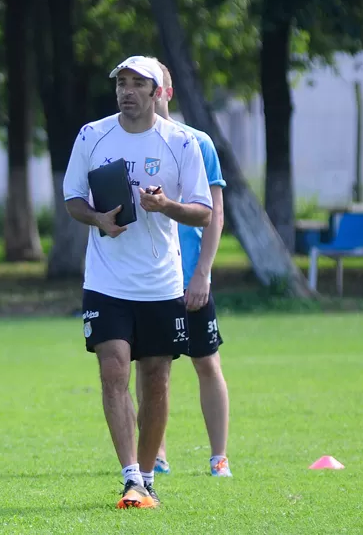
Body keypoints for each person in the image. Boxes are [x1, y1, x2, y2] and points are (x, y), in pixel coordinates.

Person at [62, 55, 213, 508]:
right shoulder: (92, 135)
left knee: (157, 380)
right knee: (113, 371)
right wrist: (98, 220)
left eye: (137, 84)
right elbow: (72, 198)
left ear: (156, 91)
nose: (126, 91)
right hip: (106, 281)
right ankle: (130, 474)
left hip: (160, 283)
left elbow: (203, 210)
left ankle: (147, 476)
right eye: (121, 83)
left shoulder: (180, 142)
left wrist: (166, 206)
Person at [133, 59, 231, 478]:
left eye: (150, 87)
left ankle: (218, 456)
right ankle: (156, 455)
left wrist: (202, 273)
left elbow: (215, 214)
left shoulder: (196, 142)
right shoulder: (131, 141)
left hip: (189, 276)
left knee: (205, 362)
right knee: (149, 364)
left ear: (165, 93)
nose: (141, 94)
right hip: (150, 279)